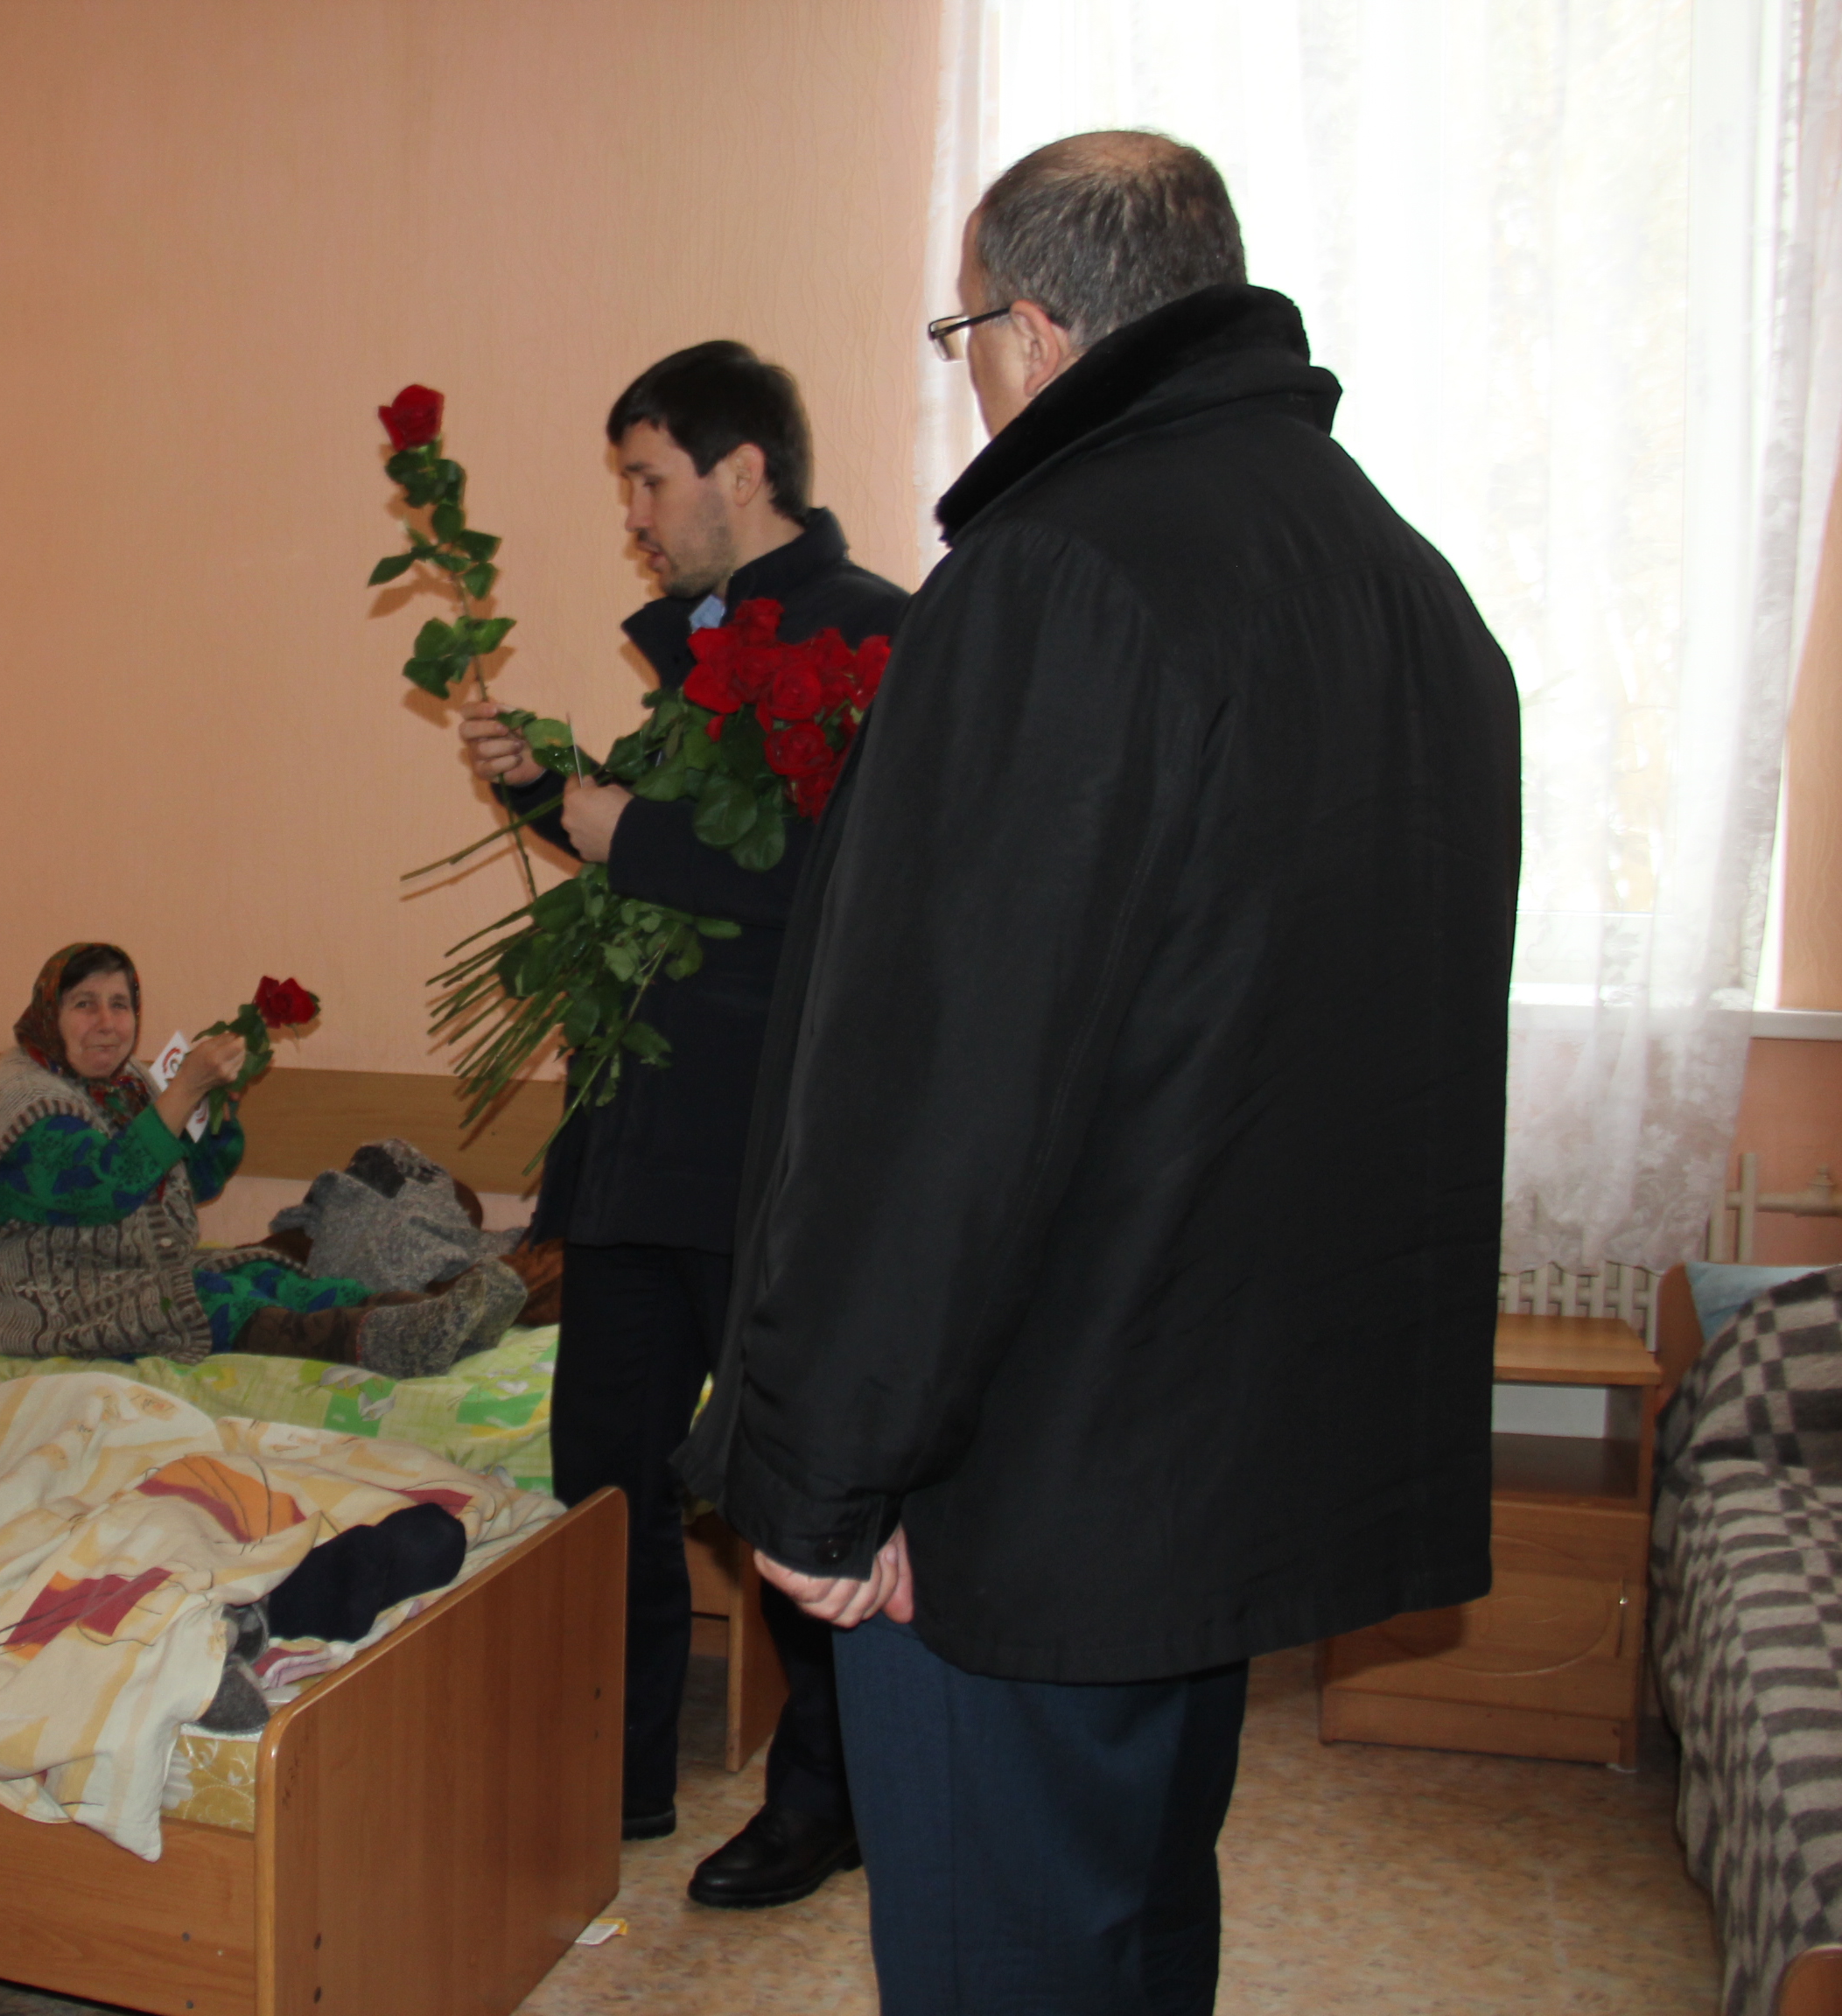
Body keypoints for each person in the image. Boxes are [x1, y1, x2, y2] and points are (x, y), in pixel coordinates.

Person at [679, 133, 1520, 2012]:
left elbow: (946, 1083)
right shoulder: (1407, 585)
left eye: (964, 333)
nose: (970, 372)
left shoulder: (1057, 574)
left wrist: (825, 1470)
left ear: (1038, 331)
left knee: (1007, 1958)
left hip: (1019, 1490)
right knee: (1136, 1931)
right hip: (1213, 1462)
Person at [456, 341, 907, 1904]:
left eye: (649, 481)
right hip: (640, 1137)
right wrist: (548, 792)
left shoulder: (881, 636)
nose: (635, 518)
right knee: (604, 1478)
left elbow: (839, 883)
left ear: (743, 470)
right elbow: (684, 860)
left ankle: (825, 1799)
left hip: (768, 1149)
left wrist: (622, 828)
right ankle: (620, 1770)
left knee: (785, 1486)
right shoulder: (704, 652)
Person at [0, 943, 523, 1377]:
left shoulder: (127, 1083)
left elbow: (197, 1180)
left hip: (122, 1272)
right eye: (84, 1005)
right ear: (49, 1013)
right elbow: (104, 1188)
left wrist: (220, 1107)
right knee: (207, 1304)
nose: (108, 1024)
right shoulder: (20, 1099)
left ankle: (434, 1316)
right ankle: (389, 1341)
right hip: (34, 1299)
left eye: (120, 1004)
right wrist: (184, 1091)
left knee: (259, 1274)